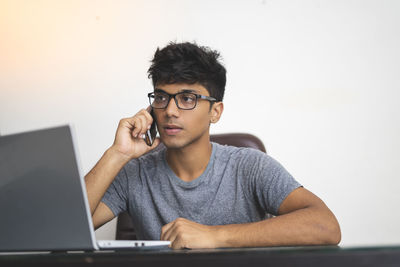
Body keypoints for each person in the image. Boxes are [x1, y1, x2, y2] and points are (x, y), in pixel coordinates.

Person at [85, 41, 341, 249]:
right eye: (162, 97)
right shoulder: (135, 173)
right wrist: (117, 154)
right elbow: (55, 230)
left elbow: (326, 225)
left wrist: (214, 236)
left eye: (187, 98)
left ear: (215, 111)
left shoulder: (250, 166)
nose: (170, 111)